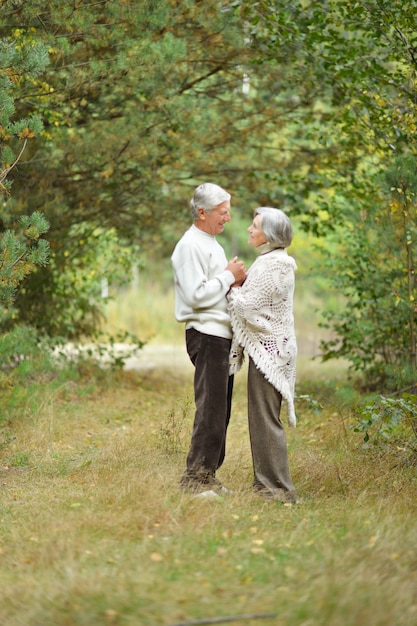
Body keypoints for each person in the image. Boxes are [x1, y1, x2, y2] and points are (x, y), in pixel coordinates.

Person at [171, 183, 246, 496]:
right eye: (222, 212)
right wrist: (229, 275)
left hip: (221, 335)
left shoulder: (211, 243)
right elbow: (196, 295)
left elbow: (216, 289)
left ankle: (208, 475)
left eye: (228, 211)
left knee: (222, 411)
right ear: (202, 212)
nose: (227, 218)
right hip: (206, 333)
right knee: (210, 410)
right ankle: (194, 480)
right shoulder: (190, 246)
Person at [228, 207, 298, 504]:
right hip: (272, 350)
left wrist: (230, 285)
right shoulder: (271, 261)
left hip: (271, 353)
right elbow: (258, 300)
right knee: (263, 419)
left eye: (254, 225)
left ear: (268, 234)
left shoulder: (274, 265)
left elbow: (247, 308)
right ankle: (267, 486)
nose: (248, 229)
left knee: (266, 420)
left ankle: (278, 491)